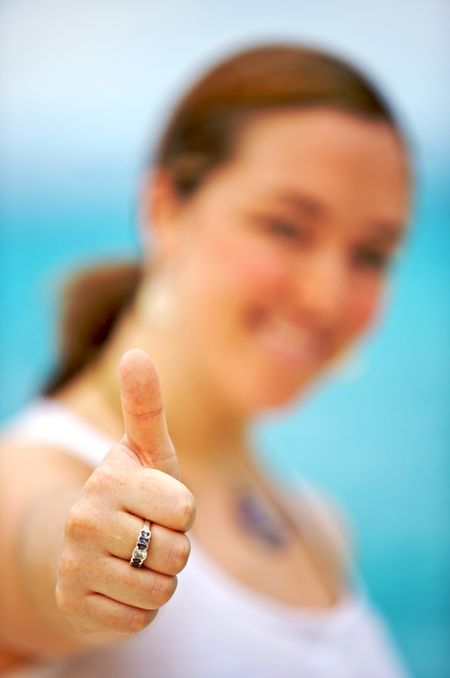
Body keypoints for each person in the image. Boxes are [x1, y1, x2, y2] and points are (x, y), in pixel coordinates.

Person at [0, 43, 411, 677]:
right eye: (286, 227)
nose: (326, 296)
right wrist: (83, 569)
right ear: (166, 209)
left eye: (370, 255)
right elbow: (40, 549)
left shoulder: (314, 522)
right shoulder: (30, 471)